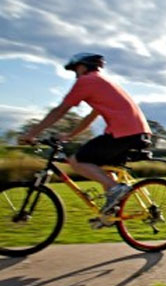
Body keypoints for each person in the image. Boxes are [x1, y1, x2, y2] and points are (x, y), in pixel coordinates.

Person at [19, 52, 152, 225]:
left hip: (124, 133)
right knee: (103, 168)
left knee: (77, 160)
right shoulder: (102, 83)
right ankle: (109, 214)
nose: (75, 74)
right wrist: (70, 135)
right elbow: (91, 116)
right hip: (136, 133)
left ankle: (115, 189)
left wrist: (32, 133)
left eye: (75, 69)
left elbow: (60, 110)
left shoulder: (86, 81)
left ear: (82, 67)